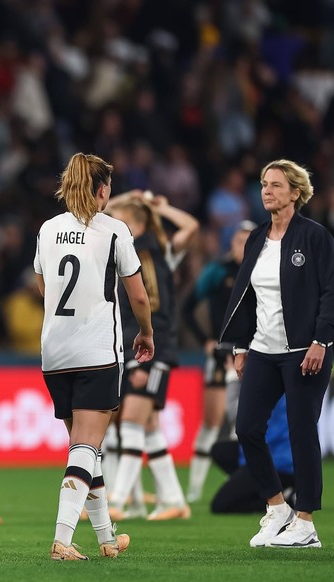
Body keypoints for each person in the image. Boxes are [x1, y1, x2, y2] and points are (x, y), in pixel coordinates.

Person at [34, 153, 154, 560]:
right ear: (103, 189)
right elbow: (138, 294)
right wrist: (147, 332)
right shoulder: (114, 230)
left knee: (86, 447)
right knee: (86, 445)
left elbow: (42, 285)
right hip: (97, 349)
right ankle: (63, 540)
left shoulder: (48, 230)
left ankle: (106, 538)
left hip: (54, 351)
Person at [220, 159, 334, 549]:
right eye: (265, 184)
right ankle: (277, 508)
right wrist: (239, 345)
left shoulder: (315, 236)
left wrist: (322, 340)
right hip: (263, 351)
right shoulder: (256, 238)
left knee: (304, 434)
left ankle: (306, 524)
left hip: (305, 351)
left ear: (295, 193)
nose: (267, 191)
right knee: (247, 428)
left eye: (276, 185)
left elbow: (330, 292)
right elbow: (244, 296)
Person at [105, 191, 198, 521]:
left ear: (140, 224)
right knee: (148, 427)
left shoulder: (163, 252)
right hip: (131, 346)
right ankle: (173, 500)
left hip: (154, 348)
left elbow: (191, 226)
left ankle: (116, 501)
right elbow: (106, 207)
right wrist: (133, 196)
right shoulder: (122, 256)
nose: (116, 225)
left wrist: (164, 206)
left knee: (131, 421)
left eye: (125, 222)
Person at [181, 220, 255, 502]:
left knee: (248, 424)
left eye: (249, 241)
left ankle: (246, 482)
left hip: (255, 354)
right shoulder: (218, 271)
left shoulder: (262, 271)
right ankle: (195, 489)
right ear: (232, 242)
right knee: (212, 423)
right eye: (239, 241)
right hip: (222, 354)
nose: (243, 247)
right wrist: (206, 340)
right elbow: (188, 308)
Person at [210, 396, 294, 514]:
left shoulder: (271, 390)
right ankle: (259, 488)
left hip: (276, 462)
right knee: (219, 451)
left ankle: (285, 500)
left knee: (220, 505)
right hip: (276, 453)